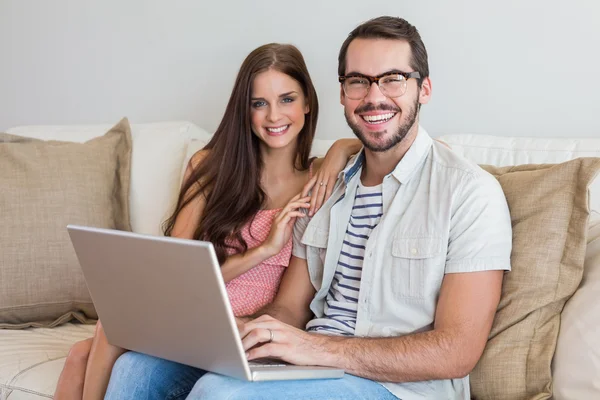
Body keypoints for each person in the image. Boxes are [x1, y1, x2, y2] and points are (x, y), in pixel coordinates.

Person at [53, 43, 361, 400]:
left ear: (308, 102)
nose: (274, 116)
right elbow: (175, 276)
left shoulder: (318, 176)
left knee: (87, 349)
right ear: (244, 111)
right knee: (83, 352)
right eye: (259, 103)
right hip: (192, 319)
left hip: (244, 330)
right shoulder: (210, 167)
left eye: (287, 99)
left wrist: (340, 148)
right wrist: (262, 251)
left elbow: (374, 143)